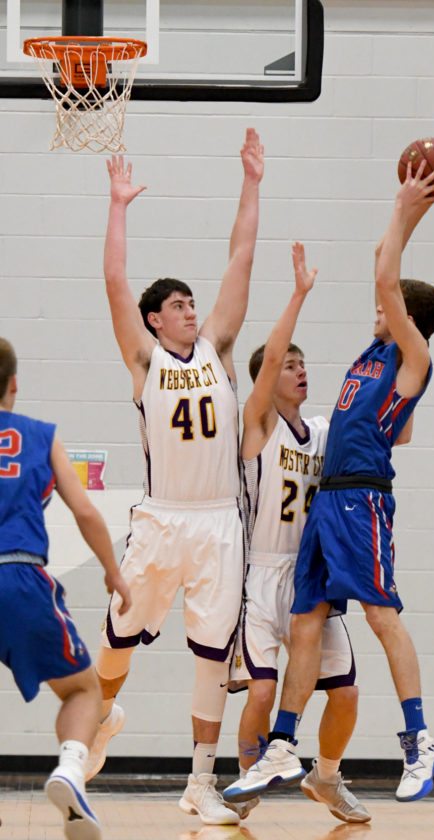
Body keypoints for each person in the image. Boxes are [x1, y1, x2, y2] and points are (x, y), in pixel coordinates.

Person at [227, 161, 434, 805]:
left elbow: (385, 276)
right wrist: (413, 206)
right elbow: (384, 259)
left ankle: (419, 738)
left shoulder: (412, 355)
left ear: (408, 318)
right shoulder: (375, 354)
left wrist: (402, 208)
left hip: (361, 499)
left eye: (391, 306)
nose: (379, 305)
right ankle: (282, 744)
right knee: (306, 621)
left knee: (381, 614)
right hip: (329, 502)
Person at [86, 130, 264, 826]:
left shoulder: (218, 349)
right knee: (117, 637)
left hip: (219, 520)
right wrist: (118, 205)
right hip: (161, 518)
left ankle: (199, 782)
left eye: (194, 303)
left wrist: (251, 183)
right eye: (180, 306)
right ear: (156, 321)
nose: (192, 311)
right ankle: (102, 715)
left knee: (213, 655)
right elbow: (114, 283)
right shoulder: (145, 360)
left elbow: (241, 257)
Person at [223, 243, 370, 823]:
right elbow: (264, 373)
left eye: (303, 363)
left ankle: (326, 777)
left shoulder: (325, 430)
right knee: (262, 691)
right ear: (268, 376)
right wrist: (298, 295)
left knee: (347, 694)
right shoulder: (259, 425)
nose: (300, 369)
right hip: (261, 575)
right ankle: (246, 785)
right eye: (289, 364)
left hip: (312, 576)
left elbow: (389, 431)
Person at [0, 337, 131, 840]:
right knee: (81, 689)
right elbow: (85, 511)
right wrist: (113, 571)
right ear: (14, 384)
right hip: (19, 575)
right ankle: (72, 769)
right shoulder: (40, 435)